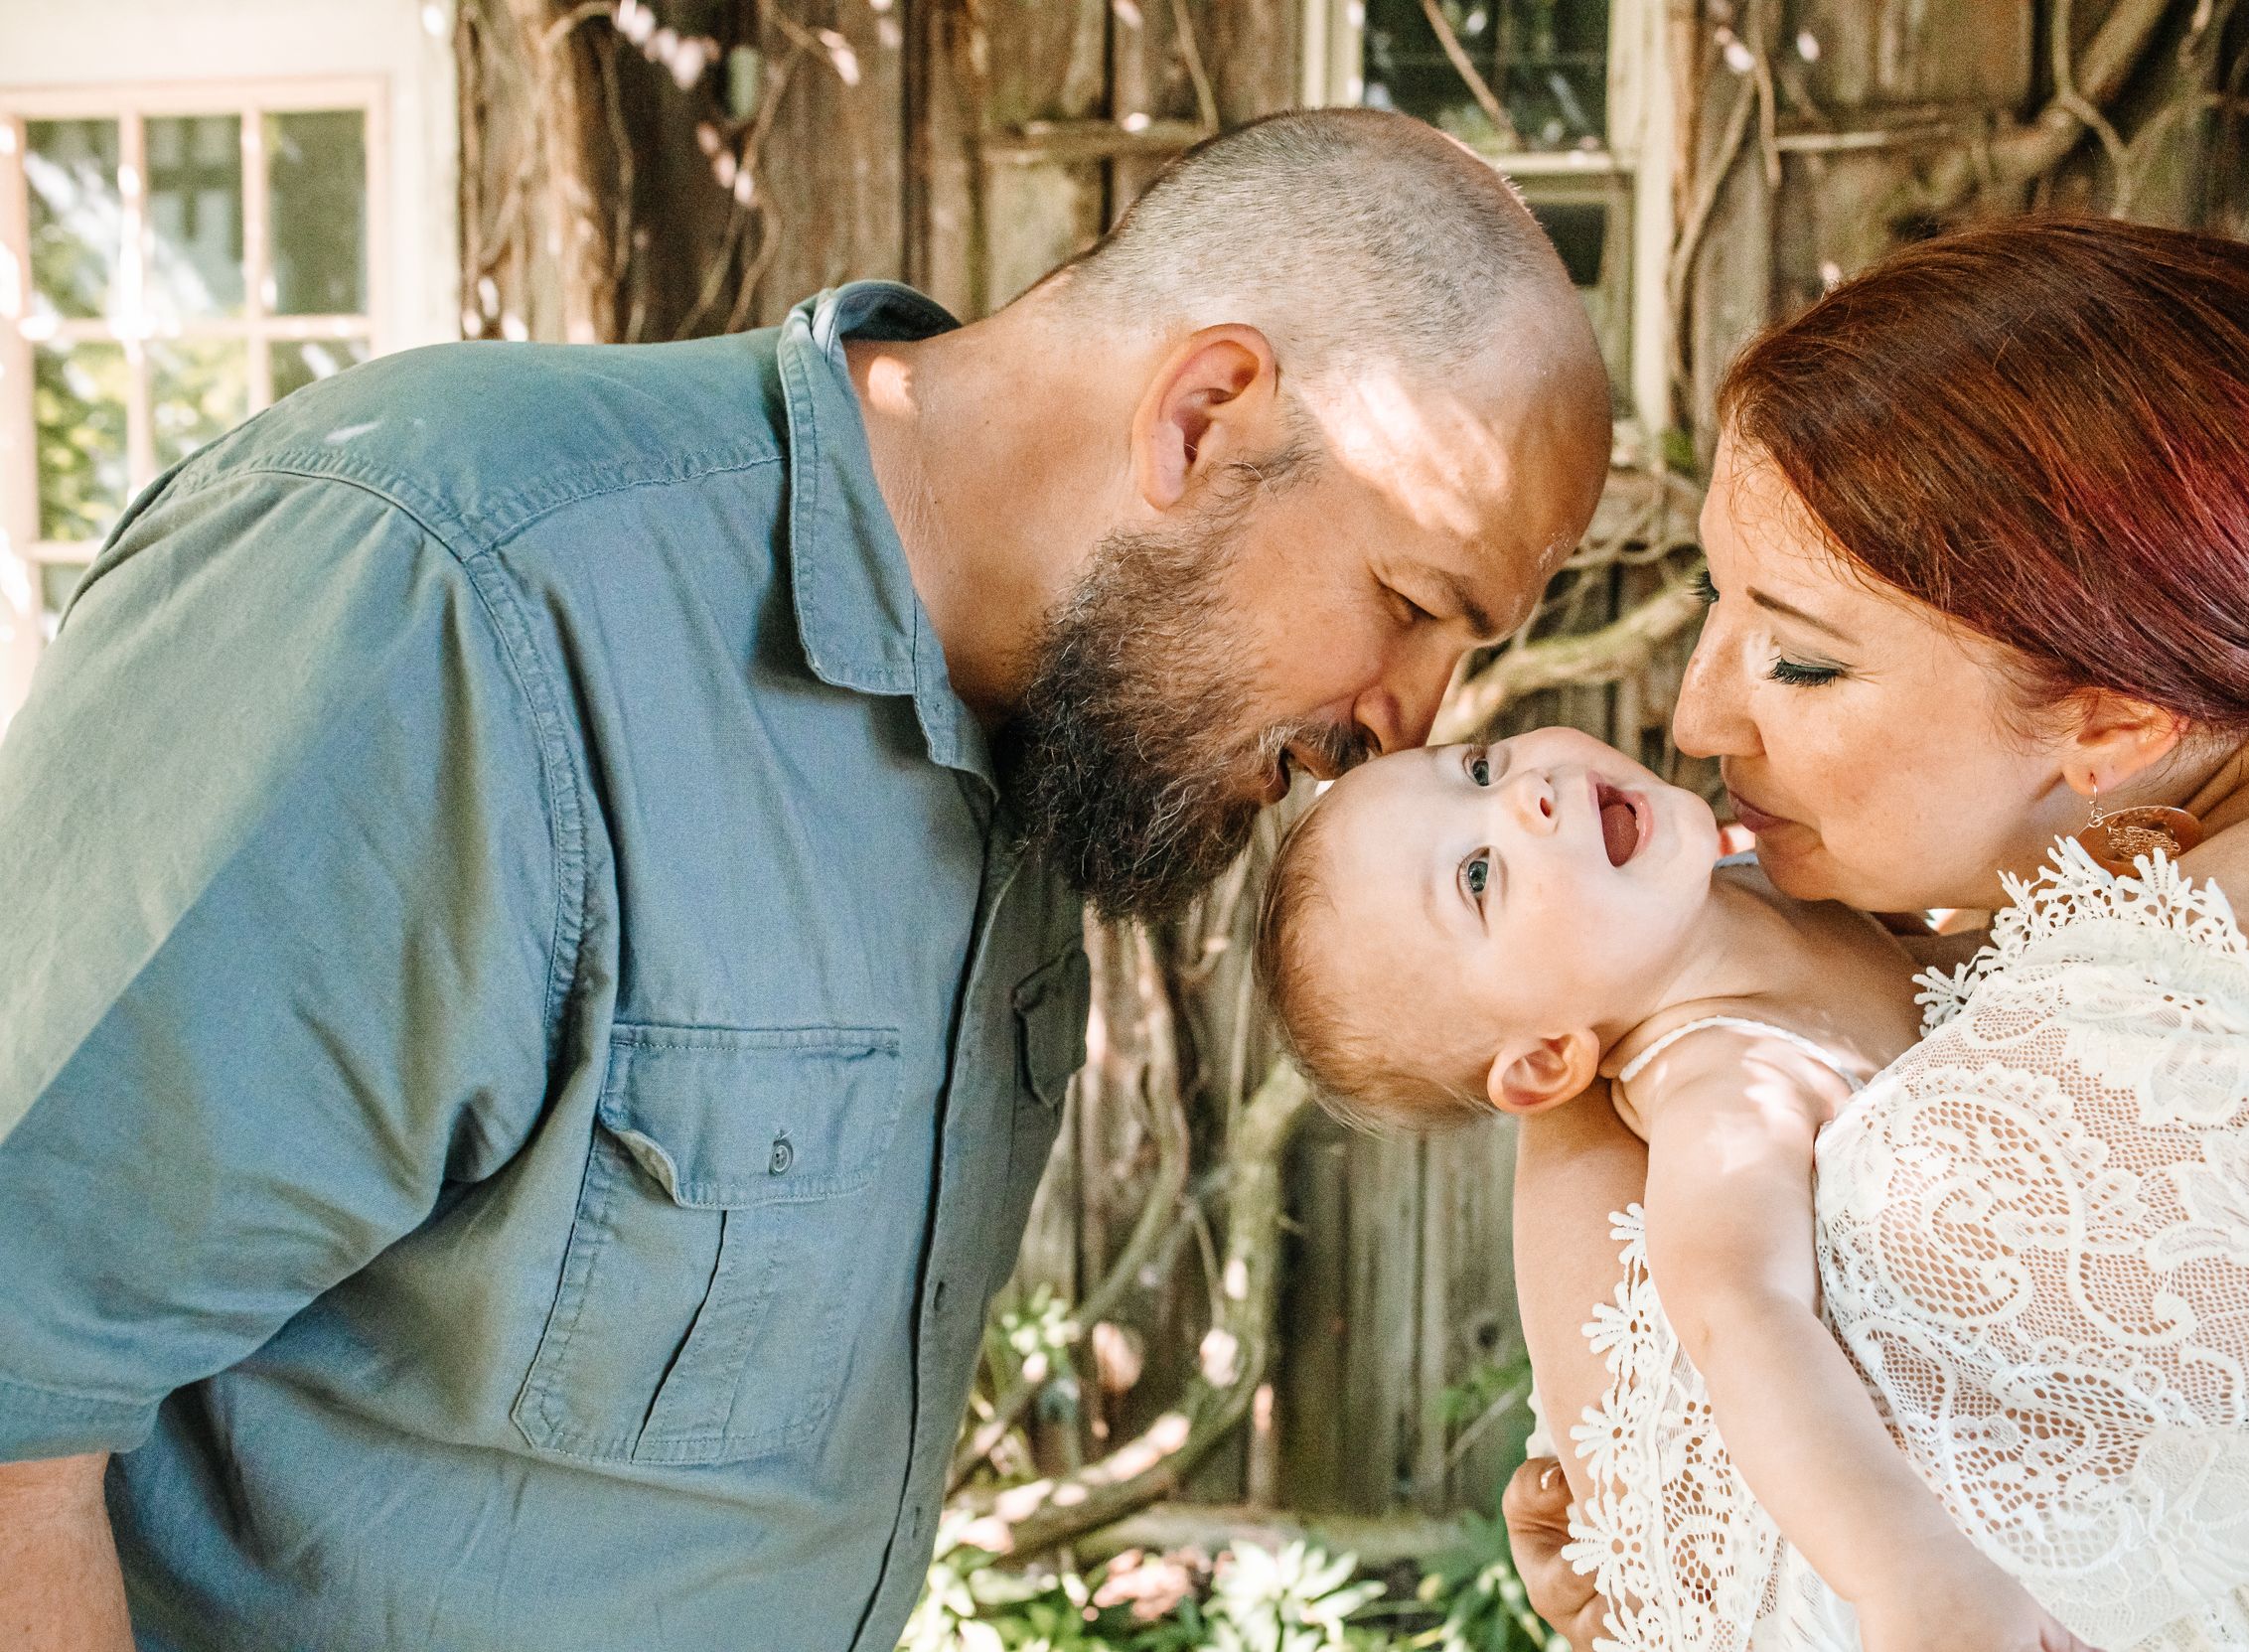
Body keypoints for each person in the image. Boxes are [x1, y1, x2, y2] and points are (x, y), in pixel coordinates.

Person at [0, 109, 1612, 1651]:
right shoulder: (449, 597)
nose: (1410, 727)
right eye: (1413, 602)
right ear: (1201, 416)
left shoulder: (1054, 731)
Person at [1503, 216, 2249, 1651]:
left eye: (1801, 658)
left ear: (2116, 720)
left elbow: (1732, 1594)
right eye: (1719, 595)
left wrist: (1584, 1020)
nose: (1697, 717)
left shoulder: (2237, 1011)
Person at [1258, 723, 2095, 1649]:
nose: (1524, 794)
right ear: (1546, 1060)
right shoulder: (1719, 1092)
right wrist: (1906, 1566)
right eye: (1479, 878)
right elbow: (1744, 1320)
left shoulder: (1773, 872)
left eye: (1477, 767)